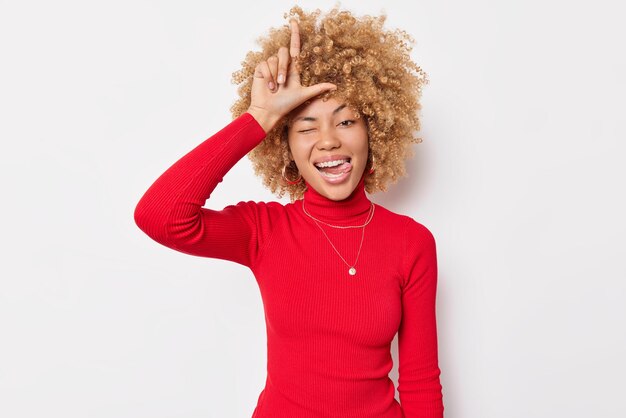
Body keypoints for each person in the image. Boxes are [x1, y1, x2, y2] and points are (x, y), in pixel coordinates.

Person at [134, 5, 443, 418]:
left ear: (375, 131)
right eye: (305, 126)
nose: (328, 140)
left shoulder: (411, 242)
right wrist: (259, 118)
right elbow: (160, 216)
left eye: (346, 120)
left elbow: (421, 382)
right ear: (286, 148)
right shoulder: (264, 230)